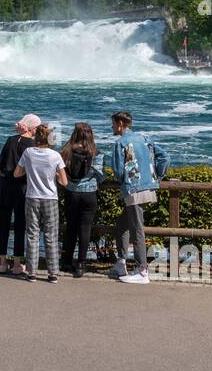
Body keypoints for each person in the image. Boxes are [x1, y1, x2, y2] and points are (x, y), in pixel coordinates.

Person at [105, 111, 170, 285]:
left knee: (137, 230)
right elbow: (164, 157)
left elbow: (119, 173)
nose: (111, 127)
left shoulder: (120, 143)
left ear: (120, 124)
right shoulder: (145, 138)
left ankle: (142, 271)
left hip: (133, 190)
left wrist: (123, 180)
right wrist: (156, 175)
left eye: (112, 124)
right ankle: (121, 263)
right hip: (148, 187)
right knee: (122, 226)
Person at [14, 123, 67, 283]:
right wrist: (55, 176)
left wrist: (29, 171)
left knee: (32, 234)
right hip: (50, 197)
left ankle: (32, 271)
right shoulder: (55, 155)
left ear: (36, 138)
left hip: (32, 197)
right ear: (50, 138)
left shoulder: (28, 152)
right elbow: (64, 181)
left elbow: (17, 173)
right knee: (51, 235)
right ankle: (53, 273)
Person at [0, 114, 38, 274]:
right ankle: (17, 262)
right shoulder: (32, 144)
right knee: (20, 224)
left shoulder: (11, 140)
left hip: (5, 185)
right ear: (32, 128)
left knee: (3, 224)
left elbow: (0, 163)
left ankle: (2, 262)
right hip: (22, 187)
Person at [60, 122, 105, 278]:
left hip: (71, 193)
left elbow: (61, 171)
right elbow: (100, 175)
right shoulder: (95, 153)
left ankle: (66, 261)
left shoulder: (66, 151)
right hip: (89, 194)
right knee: (85, 229)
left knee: (71, 228)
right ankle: (81, 264)